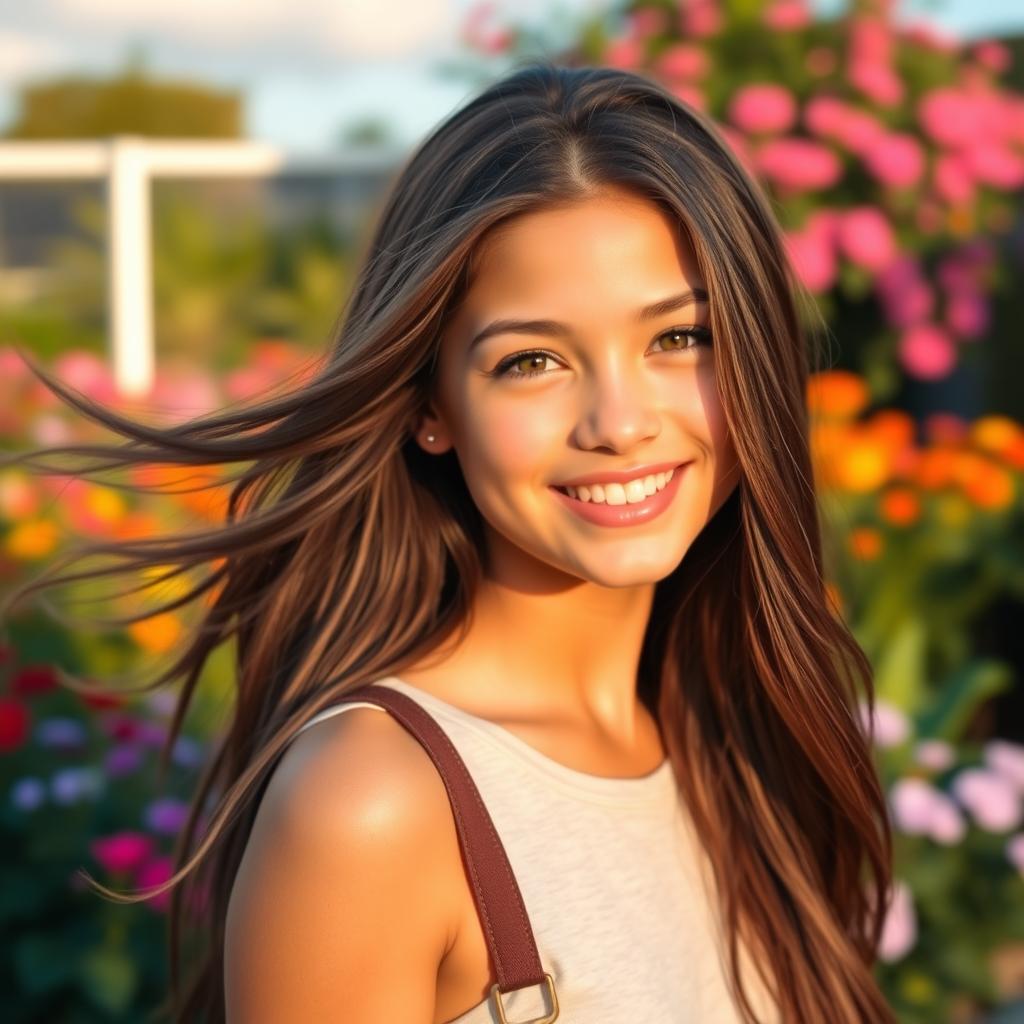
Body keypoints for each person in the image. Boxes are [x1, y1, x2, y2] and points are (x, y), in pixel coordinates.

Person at [9, 62, 895, 1023]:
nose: (619, 421)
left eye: (679, 339)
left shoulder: (733, 746)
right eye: (533, 361)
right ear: (434, 408)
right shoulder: (374, 800)